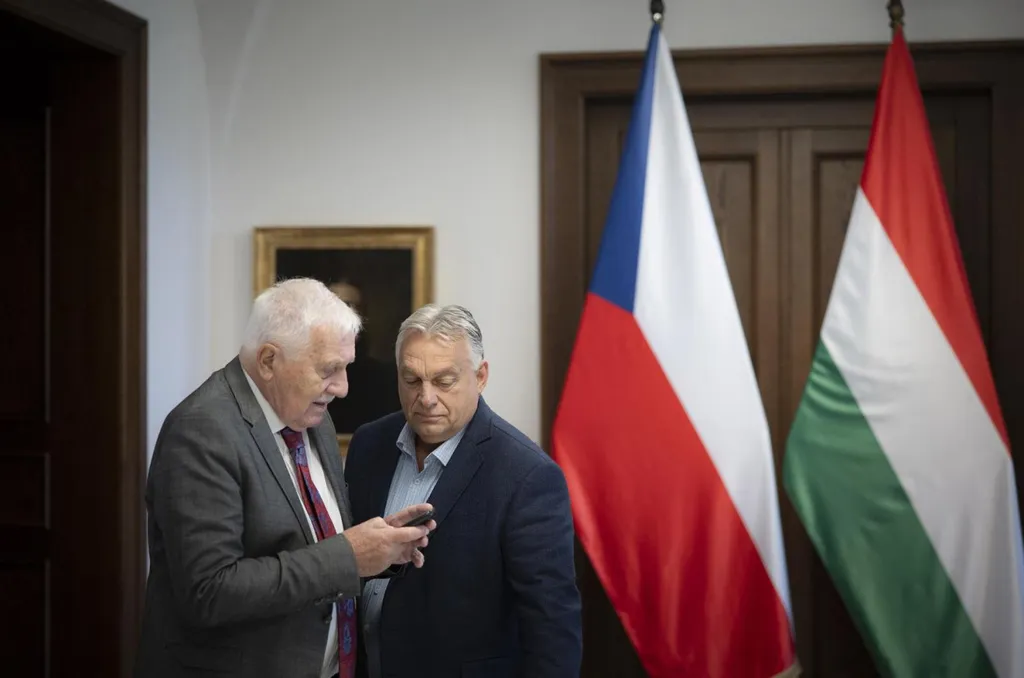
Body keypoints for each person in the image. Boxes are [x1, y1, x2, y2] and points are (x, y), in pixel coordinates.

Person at [134, 277, 436, 678]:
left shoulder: (314, 418)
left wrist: (379, 550)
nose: (343, 388)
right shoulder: (201, 431)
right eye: (329, 369)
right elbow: (210, 591)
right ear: (268, 361)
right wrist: (348, 556)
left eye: (346, 367)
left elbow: (309, 548)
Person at [344, 304, 583, 678]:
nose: (426, 398)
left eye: (444, 381)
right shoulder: (368, 443)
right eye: (412, 380)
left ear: (481, 376)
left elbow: (553, 631)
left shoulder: (528, 476)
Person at [327, 280, 401, 433]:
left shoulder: (385, 377)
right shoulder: (306, 371)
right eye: (339, 307)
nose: (348, 316)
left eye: (352, 307)